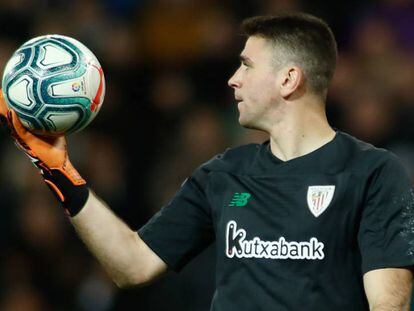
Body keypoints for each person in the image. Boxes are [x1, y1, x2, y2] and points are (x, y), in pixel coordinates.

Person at [1, 12, 413, 311]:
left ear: (289, 79)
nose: (233, 78)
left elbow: (388, 304)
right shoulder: (223, 174)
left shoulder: (373, 173)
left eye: (247, 65)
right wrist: (58, 169)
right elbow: (132, 264)